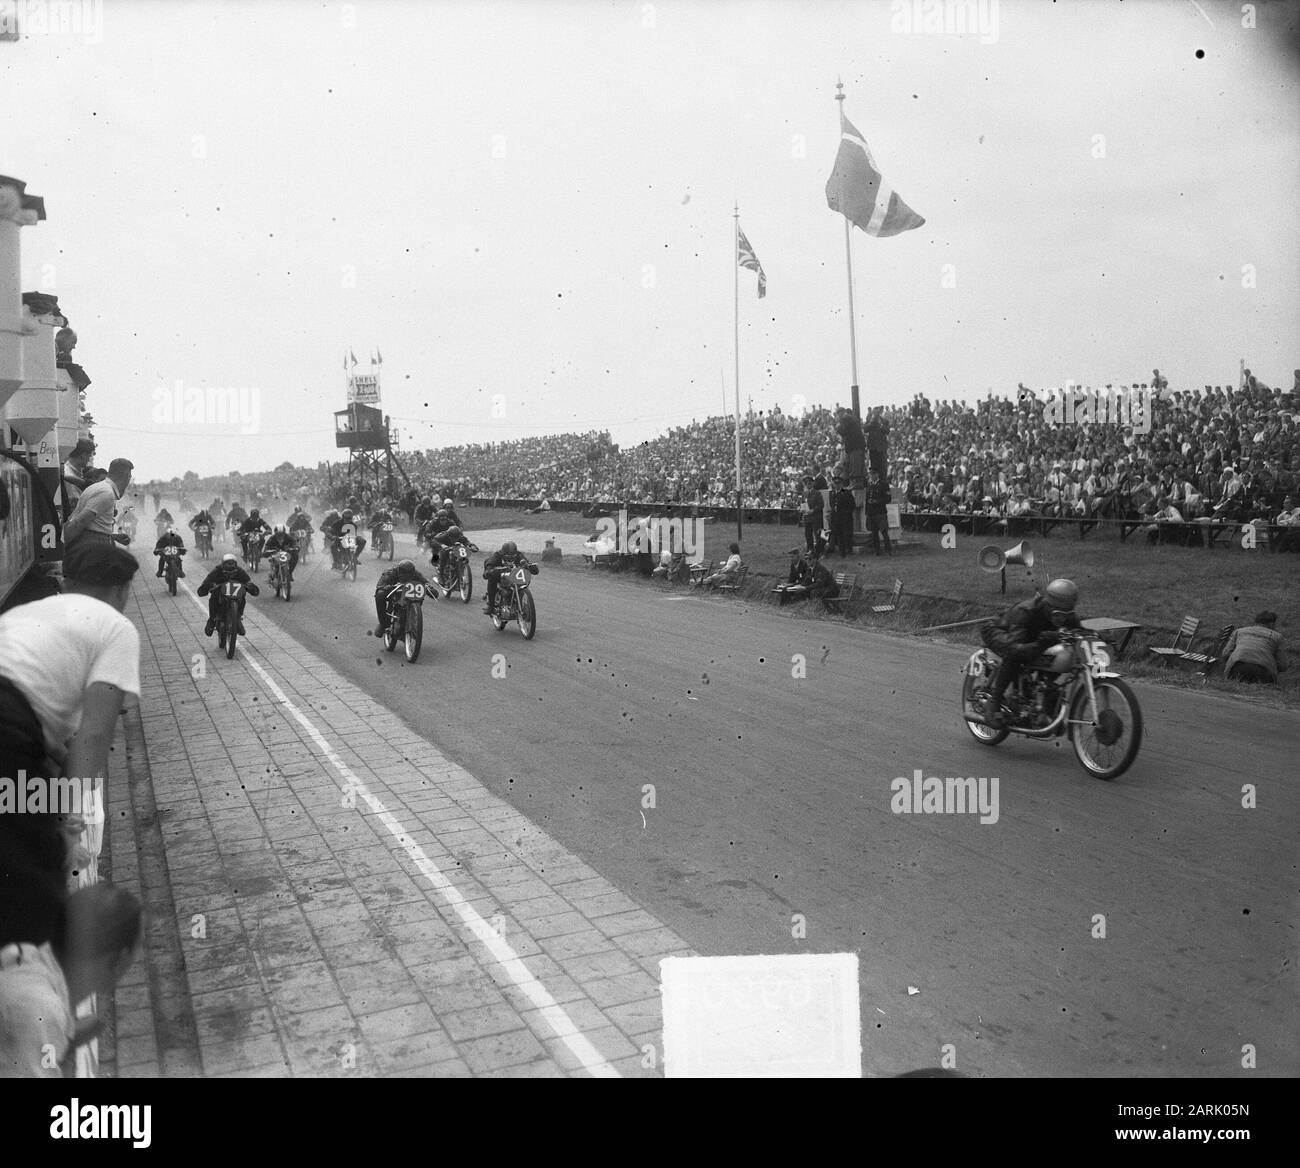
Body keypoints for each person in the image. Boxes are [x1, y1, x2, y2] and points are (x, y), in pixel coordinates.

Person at [0, 541, 141, 953]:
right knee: (36, 891)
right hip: (9, 729)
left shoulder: (23, 613)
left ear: (68, 582)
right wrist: (66, 822)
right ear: (122, 591)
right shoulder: (116, 628)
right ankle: (61, 1008)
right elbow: (92, 738)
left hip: (15, 732)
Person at [977, 578, 1083, 728]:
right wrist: (1042, 642)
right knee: (1016, 654)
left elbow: (1079, 631)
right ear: (1049, 605)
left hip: (1031, 638)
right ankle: (994, 701)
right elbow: (1015, 648)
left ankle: (1044, 694)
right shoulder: (1026, 611)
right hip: (999, 631)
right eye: (1057, 614)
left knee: (1058, 655)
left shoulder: (1067, 615)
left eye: (1066, 614)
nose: (1062, 619)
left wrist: (1097, 635)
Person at [62, 457, 134, 550]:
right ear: (126, 476)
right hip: (93, 548)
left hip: (93, 544)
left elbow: (94, 526)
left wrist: (112, 537)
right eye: (129, 477)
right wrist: (62, 548)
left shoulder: (101, 488)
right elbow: (79, 522)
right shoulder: (106, 492)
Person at [373, 559, 444, 638]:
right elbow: (380, 586)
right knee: (380, 595)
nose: (407, 575)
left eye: (409, 573)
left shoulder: (416, 574)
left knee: (421, 594)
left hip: (409, 596)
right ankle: (383, 624)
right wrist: (388, 587)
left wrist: (430, 589)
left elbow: (425, 583)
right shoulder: (390, 573)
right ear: (399, 570)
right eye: (404, 572)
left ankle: (413, 615)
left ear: (412, 572)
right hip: (394, 593)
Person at [196, 553, 260, 637]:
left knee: (242, 596)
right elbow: (204, 586)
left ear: (236, 565)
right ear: (223, 564)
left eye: (232, 563)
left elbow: (249, 583)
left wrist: (250, 587)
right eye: (228, 563)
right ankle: (212, 620)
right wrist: (208, 586)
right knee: (213, 597)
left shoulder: (240, 571)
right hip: (219, 597)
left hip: (236, 599)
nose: (230, 565)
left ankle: (238, 618)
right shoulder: (216, 571)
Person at [1223, 612, 1288, 684]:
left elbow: (1225, 654)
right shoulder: (1278, 637)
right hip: (1262, 671)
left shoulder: (1239, 631)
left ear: (1256, 622)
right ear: (1271, 624)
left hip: (1237, 668)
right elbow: (1283, 665)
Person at [482, 540, 538, 614]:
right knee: (492, 579)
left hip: (514, 575)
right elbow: (490, 562)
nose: (511, 558)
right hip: (501, 575)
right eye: (508, 556)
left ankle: (518, 601)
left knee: (524, 577)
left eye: (513, 556)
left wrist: (530, 567)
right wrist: (489, 570)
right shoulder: (497, 555)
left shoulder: (519, 555)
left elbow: (525, 562)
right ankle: (491, 606)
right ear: (503, 553)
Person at [865, 471, 892, 555]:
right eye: (871, 474)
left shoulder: (883, 484)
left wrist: (877, 501)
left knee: (884, 531)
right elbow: (867, 499)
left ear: (877, 474)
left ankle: (888, 549)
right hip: (871, 512)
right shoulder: (869, 484)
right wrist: (867, 511)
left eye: (873, 474)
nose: (872, 476)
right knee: (874, 533)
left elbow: (888, 498)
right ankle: (877, 550)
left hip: (880, 511)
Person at [829, 475, 856, 557]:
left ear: (841, 484)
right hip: (836, 518)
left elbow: (852, 505)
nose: (837, 485)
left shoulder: (846, 492)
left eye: (838, 484)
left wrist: (846, 514)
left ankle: (848, 550)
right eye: (835, 484)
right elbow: (832, 505)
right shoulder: (832, 493)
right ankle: (842, 551)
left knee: (846, 535)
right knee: (839, 535)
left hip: (845, 518)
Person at [801, 473, 823, 554]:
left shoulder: (817, 493)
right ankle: (810, 549)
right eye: (806, 483)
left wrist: (813, 510)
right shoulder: (805, 493)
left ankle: (819, 550)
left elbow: (821, 505)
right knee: (808, 534)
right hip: (807, 517)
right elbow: (803, 503)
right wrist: (802, 509)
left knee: (817, 534)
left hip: (815, 517)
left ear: (813, 483)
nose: (808, 485)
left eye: (810, 483)